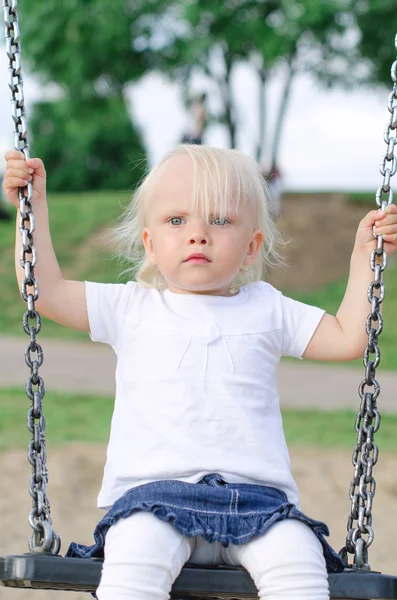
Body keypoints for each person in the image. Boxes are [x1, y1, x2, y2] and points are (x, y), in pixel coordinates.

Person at [3, 146, 397, 600]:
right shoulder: (130, 307)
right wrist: (32, 208)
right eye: (177, 221)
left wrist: (366, 257)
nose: (198, 235)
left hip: (260, 506)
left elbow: (349, 336)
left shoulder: (268, 309)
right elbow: (45, 290)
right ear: (150, 244)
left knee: (300, 562)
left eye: (220, 221)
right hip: (152, 501)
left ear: (251, 247)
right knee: (133, 566)